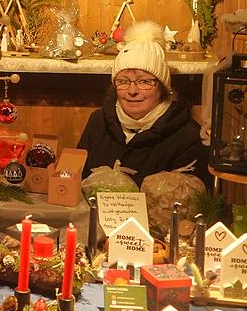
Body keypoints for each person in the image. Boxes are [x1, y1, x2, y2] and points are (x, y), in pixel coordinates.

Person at [77, 22, 212, 188]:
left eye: (144, 81)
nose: (132, 91)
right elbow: (77, 178)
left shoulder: (188, 137)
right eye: (123, 81)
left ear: (162, 86)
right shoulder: (98, 122)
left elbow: (190, 201)